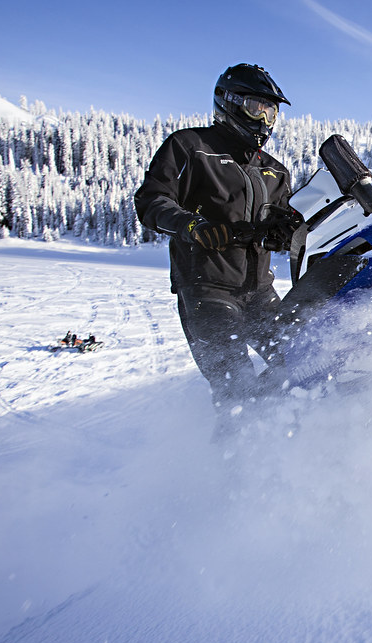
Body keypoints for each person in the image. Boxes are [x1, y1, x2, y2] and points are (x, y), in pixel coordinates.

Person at [134, 63, 302, 434]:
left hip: (260, 292)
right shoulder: (191, 148)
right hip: (207, 292)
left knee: (300, 362)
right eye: (255, 107)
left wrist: (284, 231)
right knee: (238, 392)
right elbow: (152, 202)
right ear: (228, 103)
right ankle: (231, 476)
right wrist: (192, 226)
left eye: (270, 110)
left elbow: (286, 219)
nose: (263, 117)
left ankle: (294, 445)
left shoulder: (275, 170)